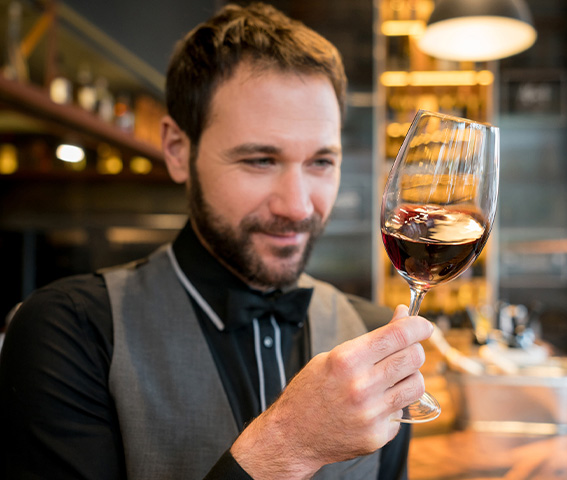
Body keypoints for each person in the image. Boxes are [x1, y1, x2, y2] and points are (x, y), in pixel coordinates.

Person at [0, 3, 434, 480]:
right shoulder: (70, 332)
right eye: (260, 160)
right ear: (177, 151)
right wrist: (288, 445)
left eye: (321, 162)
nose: (297, 206)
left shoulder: (373, 337)